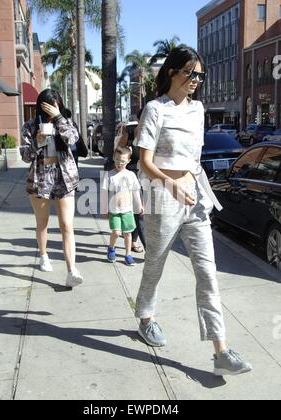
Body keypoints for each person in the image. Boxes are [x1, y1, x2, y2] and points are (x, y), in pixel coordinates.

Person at [134, 47, 252, 377]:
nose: (196, 81)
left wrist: (196, 185)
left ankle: (221, 350)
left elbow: (194, 157)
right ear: (172, 72)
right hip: (163, 197)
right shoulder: (155, 110)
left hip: (195, 198)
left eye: (200, 75)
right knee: (155, 263)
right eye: (190, 73)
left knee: (207, 272)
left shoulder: (198, 109)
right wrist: (170, 186)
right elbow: (144, 161)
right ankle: (145, 317)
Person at [20, 88, 83, 288]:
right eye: (48, 107)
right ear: (40, 107)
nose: (51, 110)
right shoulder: (30, 126)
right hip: (40, 180)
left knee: (67, 225)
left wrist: (58, 118)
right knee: (43, 223)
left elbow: (73, 140)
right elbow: (25, 156)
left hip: (64, 179)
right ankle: (44, 254)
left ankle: (72, 270)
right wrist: (37, 143)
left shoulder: (65, 122)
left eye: (55, 106)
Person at [101, 146, 144, 266]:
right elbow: (104, 193)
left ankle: (128, 255)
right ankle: (111, 248)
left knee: (128, 233)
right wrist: (104, 209)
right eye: (117, 160)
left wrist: (139, 206)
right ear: (113, 158)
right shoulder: (108, 175)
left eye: (123, 161)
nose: (120, 163)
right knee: (116, 232)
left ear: (128, 161)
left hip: (127, 210)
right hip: (114, 210)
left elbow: (136, 191)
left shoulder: (131, 175)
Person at [117, 110, 146, 253]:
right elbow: (116, 155)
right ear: (140, 119)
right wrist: (124, 149)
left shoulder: (153, 134)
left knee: (138, 213)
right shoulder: (128, 133)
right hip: (130, 178)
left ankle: (133, 242)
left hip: (148, 178)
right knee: (140, 213)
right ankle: (150, 250)